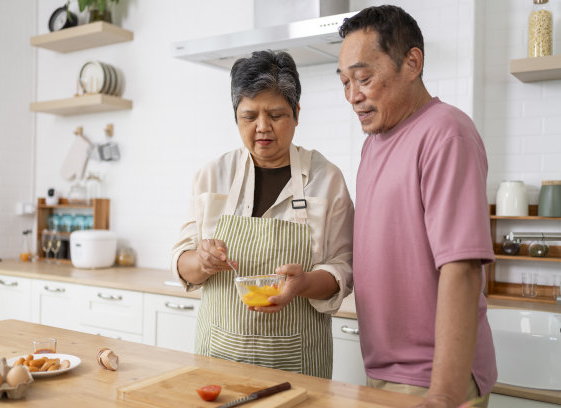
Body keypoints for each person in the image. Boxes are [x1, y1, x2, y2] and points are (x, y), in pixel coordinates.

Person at [336, 5, 496, 408]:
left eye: (364, 78)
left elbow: (461, 268)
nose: (354, 96)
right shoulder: (373, 145)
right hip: (383, 371)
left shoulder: (445, 132)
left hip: (433, 381)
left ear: (412, 62)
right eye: (345, 83)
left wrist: (443, 394)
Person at [171, 50, 354, 378]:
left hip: (298, 363)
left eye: (276, 114)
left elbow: (343, 269)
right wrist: (201, 261)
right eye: (249, 115)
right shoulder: (213, 175)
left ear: (297, 113)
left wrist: (304, 283)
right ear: (236, 117)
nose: (262, 127)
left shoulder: (327, 178)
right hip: (218, 358)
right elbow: (182, 263)